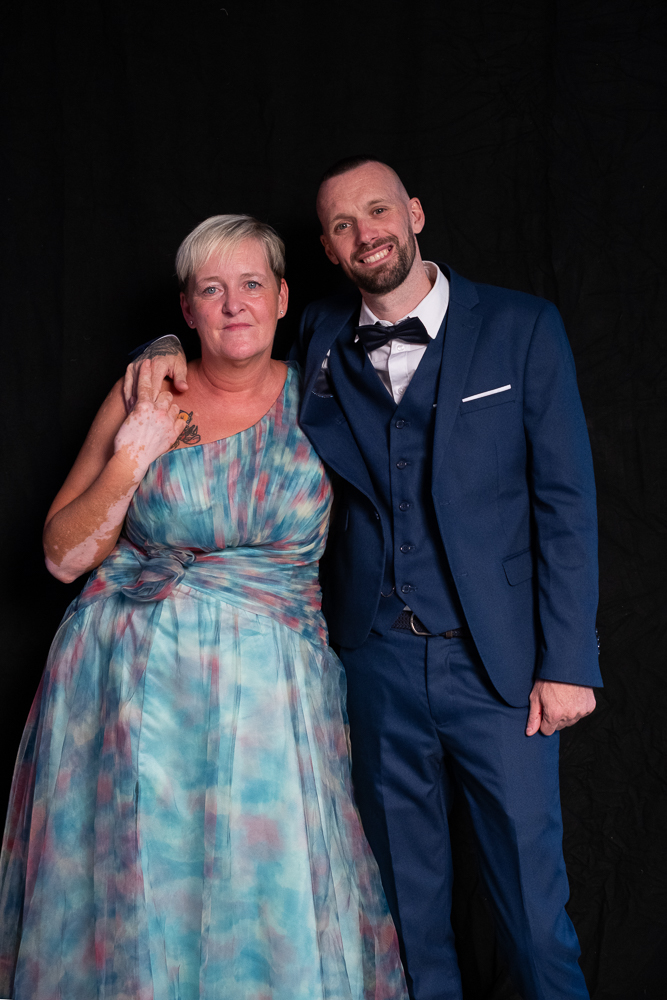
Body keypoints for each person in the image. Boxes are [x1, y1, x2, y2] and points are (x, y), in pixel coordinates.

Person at [137, 158, 603, 1000]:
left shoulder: (522, 327)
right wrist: (159, 347)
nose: (366, 234)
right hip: (372, 662)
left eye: (378, 211)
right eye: (343, 225)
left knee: (534, 916)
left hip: (497, 666)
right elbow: (222, 345)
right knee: (404, 918)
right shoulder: (316, 332)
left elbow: (566, 502)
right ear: (326, 247)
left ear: (414, 213)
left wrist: (567, 661)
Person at [0, 214, 408, 1000]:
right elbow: (61, 556)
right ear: (186, 309)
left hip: (272, 696)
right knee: (139, 885)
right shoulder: (145, 394)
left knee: (266, 889)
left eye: (251, 284)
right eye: (210, 289)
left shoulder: (330, 397)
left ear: (282, 298)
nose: (233, 304)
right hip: (128, 690)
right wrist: (134, 454)